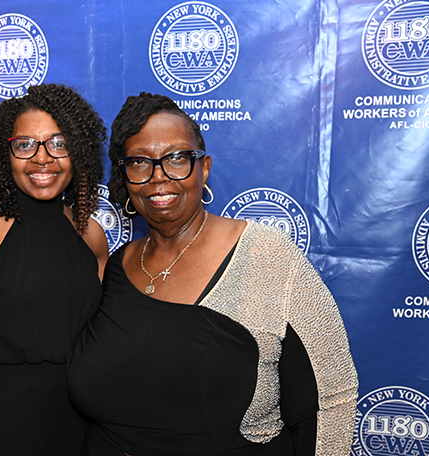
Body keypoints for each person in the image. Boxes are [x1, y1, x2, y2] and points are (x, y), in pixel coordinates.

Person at [67, 93, 358, 456]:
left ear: (203, 168)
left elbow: (332, 398)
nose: (159, 177)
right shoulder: (117, 266)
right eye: (140, 162)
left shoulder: (267, 255)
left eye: (176, 158)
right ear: (125, 178)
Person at [0, 84, 109, 456]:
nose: (42, 158)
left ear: (78, 151)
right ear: (5, 152)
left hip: (73, 428)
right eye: (25, 145)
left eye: (58, 144)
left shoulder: (90, 234)